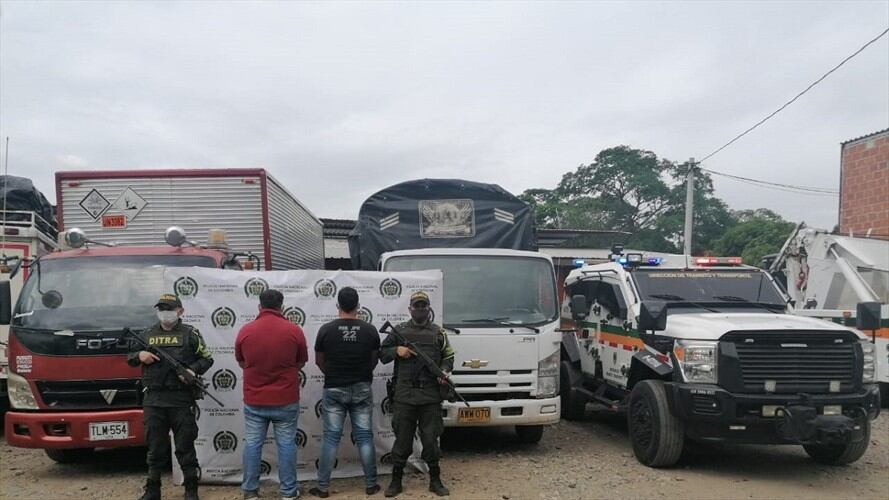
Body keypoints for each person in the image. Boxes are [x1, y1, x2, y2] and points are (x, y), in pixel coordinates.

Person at [128, 293, 214, 500]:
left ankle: (191, 489)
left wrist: (192, 371)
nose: (165, 313)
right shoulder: (146, 334)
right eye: (161, 309)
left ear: (180, 311)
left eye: (169, 309)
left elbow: (207, 359)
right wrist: (139, 356)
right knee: (155, 448)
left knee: (185, 446)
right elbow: (130, 358)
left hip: (181, 399)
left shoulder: (190, 334)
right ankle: (152, 489)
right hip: (154, 399)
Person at [379, 291, 455, 498]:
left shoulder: (439, 333)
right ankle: (396, 481)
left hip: (430, 396)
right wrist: (397, 351)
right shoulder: (399, 331)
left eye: (424, 306)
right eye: (416, 306)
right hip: (404, 395)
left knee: (430, 440)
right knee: (402, 441)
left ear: (429, 308)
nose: (420, 309)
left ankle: (435, 480)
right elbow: (381, 354)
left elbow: (449, 356)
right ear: (410, 309)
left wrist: (444, 372)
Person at [309, 287, 382, 498]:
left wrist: (333, 375)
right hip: (361, 387)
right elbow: (373, 359)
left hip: (333, 388)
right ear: (358, 306)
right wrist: (362, 374)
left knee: (331, 438)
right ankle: (371, 485)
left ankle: (322, 488)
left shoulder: (326, 330)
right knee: (365, 437)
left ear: (338, 306)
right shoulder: (369, 330)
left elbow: (319, 361)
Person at [235, 289, 308, 500]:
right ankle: (287, 492)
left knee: (252, 444)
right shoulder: (294, 331)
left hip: (255, 399)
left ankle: (250, 491)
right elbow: (301, 361)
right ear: (281, 307)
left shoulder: (245, 331)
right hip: (285, 399)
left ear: (259, 307)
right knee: (286, 445)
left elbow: (242, 362)